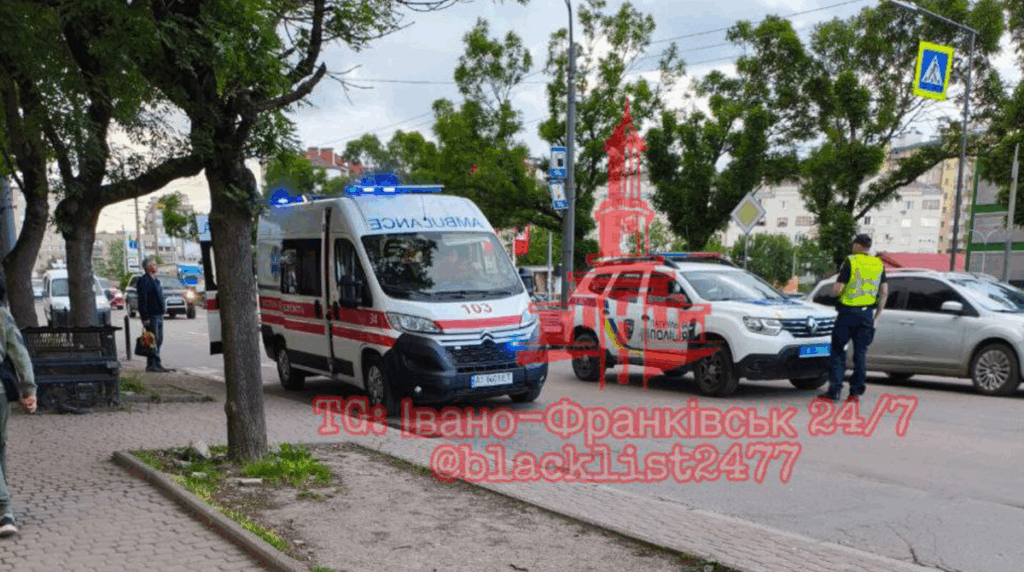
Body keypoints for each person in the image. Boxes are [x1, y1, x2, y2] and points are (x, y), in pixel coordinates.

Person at [819, 234, 888, 403]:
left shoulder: (851, 261)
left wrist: (837, 286)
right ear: (868, 247)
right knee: (860, 354)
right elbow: (884, 292)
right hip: (867, 315)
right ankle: (855, 394)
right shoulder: (878, 264)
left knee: (838, 351)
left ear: (857, 246)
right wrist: (876, 318)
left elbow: (838, 289)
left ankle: (834, 390)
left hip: (848, 313)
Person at [0, 274, 38, 538]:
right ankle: (3, 510)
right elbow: (19, 353)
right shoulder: (3, 315)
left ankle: (4, 510)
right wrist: (28, 389)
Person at [137, 257, 169, 373]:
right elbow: (142, 300)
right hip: (151, 315)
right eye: (154, 264)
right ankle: (152, 365)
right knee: (152, 340)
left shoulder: (156, 280)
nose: (156, 267)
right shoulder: (144, 280)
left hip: (159, 314)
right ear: (149, 267)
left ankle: (157, 363)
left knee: (159, 340)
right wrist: (144, 317)